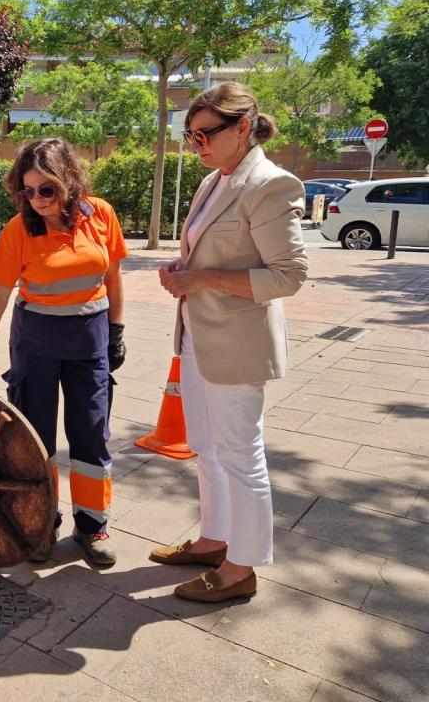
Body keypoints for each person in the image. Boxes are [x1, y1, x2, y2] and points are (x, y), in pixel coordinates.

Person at [150, 82, 307, 603]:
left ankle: (241, 570)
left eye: (205, 135)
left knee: (241, 455)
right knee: (207, 449)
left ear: (243, 127)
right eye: (190, 136)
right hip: (200, 335)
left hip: (238, 343)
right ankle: (215, 539)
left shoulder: (269, 184)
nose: (196, 146)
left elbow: (287, 276)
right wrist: (186, 269)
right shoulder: (218, 179)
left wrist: (201, 279)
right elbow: (211, 254)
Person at [0, 138, 128, 567]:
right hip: (36, 340)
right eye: (26, 191)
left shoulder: (101, 215)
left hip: (89, 341)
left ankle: (92, 526)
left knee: (91, 432)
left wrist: (116, 331)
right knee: (34, 439)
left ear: (69, 182)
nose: (36, 201)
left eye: (46, 190)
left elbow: (113, 277)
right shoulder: (18, 231)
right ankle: (41, 521)